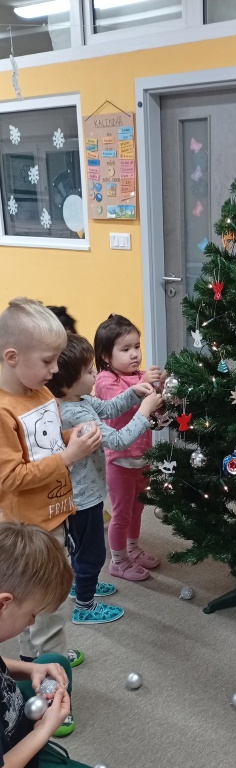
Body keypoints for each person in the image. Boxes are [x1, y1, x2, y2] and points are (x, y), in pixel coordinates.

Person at [0, 298, 102, 735]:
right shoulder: (3, 410)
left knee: (38, 613)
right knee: (47, 609)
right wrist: (69, 456)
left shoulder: (40, 391)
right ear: (12, 357)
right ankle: (52, 695)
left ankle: (35, 659)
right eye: (47, 361)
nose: (55, 370)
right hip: (31, 527)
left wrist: (68, 437)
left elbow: (43, 442)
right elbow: (12, 477)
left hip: (56, 513)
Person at [0, 521, 117, 768]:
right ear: (3, 603)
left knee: (54, 663)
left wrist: (31, 667)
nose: (33, 622)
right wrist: (43, 732)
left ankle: (35, 743)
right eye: (32, 614)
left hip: (11, 724)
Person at [47, 333, 163, 622]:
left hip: (85, 492)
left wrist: (133, 393)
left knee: (81, 547)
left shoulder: (81, 399)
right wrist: (145, 411)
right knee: (92, 553)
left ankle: (81, 586)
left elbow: (109, 408)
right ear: (66, 384)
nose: (95, 375)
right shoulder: (75, 414)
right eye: (89, 371)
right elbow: (119, 440)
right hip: (83, 498)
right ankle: (85, 606)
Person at [94, 314, 166, 582]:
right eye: (125, 349)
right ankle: (118, 560)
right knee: (121, 515)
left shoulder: (139, 375)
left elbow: (154, 407)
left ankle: (132, 549)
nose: (134, 354)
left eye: (136, 346)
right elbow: (117, 403)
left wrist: (161, 384)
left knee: (138, 510)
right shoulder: (105, 379)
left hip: (142, 457)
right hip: (119, 461)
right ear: (106, 356)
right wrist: (142, 384)